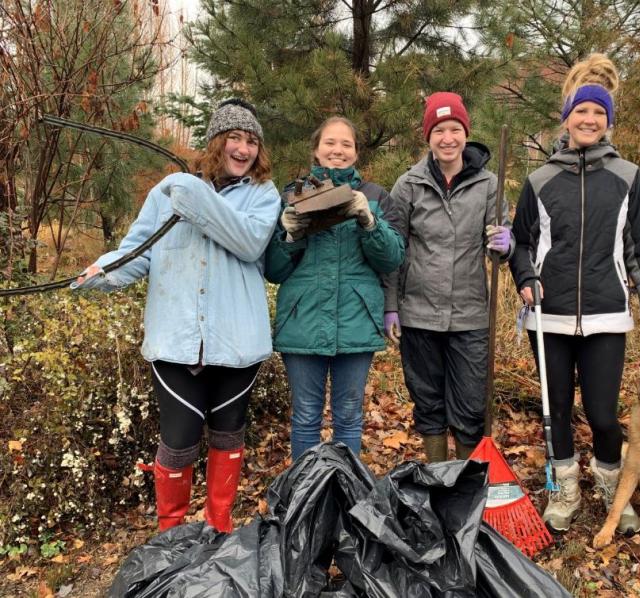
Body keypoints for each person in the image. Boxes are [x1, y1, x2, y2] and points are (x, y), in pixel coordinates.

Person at [74, 99, 281, 533]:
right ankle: (171, 535)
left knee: (228, 434)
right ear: (215, 142)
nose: (243, 149)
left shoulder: (263, 196)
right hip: (175, 340)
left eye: (251, 141)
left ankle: (218, 526)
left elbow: (248, 243)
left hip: (238, 343)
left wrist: (196, 199)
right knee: (178, 440)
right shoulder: (167, 193)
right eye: (234, 139)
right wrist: (101, 272)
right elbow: (138, 252)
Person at [509, 54, 640, 534]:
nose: (589, 119)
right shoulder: (539, 181)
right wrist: (524, 277)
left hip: (606, 315)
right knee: (556, 411)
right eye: (582, 110)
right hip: (549, 316)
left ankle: (610, 487)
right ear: (567, 117)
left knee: (602, 413)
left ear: (608, 122)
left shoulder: (627, 177)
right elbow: (522, 244)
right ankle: (564, 490)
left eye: (599, 112)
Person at [383, 92, 514, 462]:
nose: (447, 138)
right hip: (419, 314)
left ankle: (465, 484)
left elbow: (497, 249)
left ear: (465, 133)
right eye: (439, 130)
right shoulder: (408, 185)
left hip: (470, 315)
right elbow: (394, 250)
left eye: (455, 129)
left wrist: (506, 244)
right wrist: (391, 306)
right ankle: (439, 478)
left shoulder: (489, 185)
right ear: (428, 136)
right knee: (428, 401)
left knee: (471, 405)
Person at [264, 116, 404, 461]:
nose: (337, 150)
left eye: (346, 144)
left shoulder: (375, 197)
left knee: (349, 418)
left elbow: (391, 259)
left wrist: (369, 222)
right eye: (330, 142)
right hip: (303, 321)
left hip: (356, 321)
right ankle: (305, 499)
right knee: (306, 417)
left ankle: (347, 494)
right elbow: (275, 270)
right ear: (315, 149)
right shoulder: (292, 196)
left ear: (356, 153)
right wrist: (290, 235)